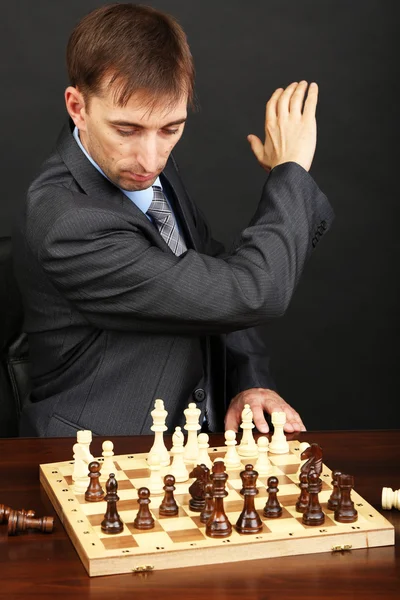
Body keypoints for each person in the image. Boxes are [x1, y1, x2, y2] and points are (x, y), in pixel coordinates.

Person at [13, 3, 334, 438]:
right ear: (78, 107)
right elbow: (252, 290)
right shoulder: (67, 223)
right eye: (126, 130)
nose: (150, 159)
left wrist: (251, 381)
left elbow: (211, 269)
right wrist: (290, 173)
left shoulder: (145, 168)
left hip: (191, 449)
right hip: (94, 458)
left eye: (170, 129)